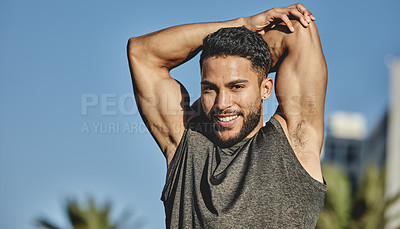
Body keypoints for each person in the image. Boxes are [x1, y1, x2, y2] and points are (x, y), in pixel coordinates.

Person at [127, 3, 327, 228]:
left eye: (236, 86)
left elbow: (299, 31)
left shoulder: (294, 143)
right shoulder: (186, 145)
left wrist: (248, 48)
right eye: (210, 89)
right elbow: (142, 53)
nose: (222, 103)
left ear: (266, 88)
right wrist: (242, 24)